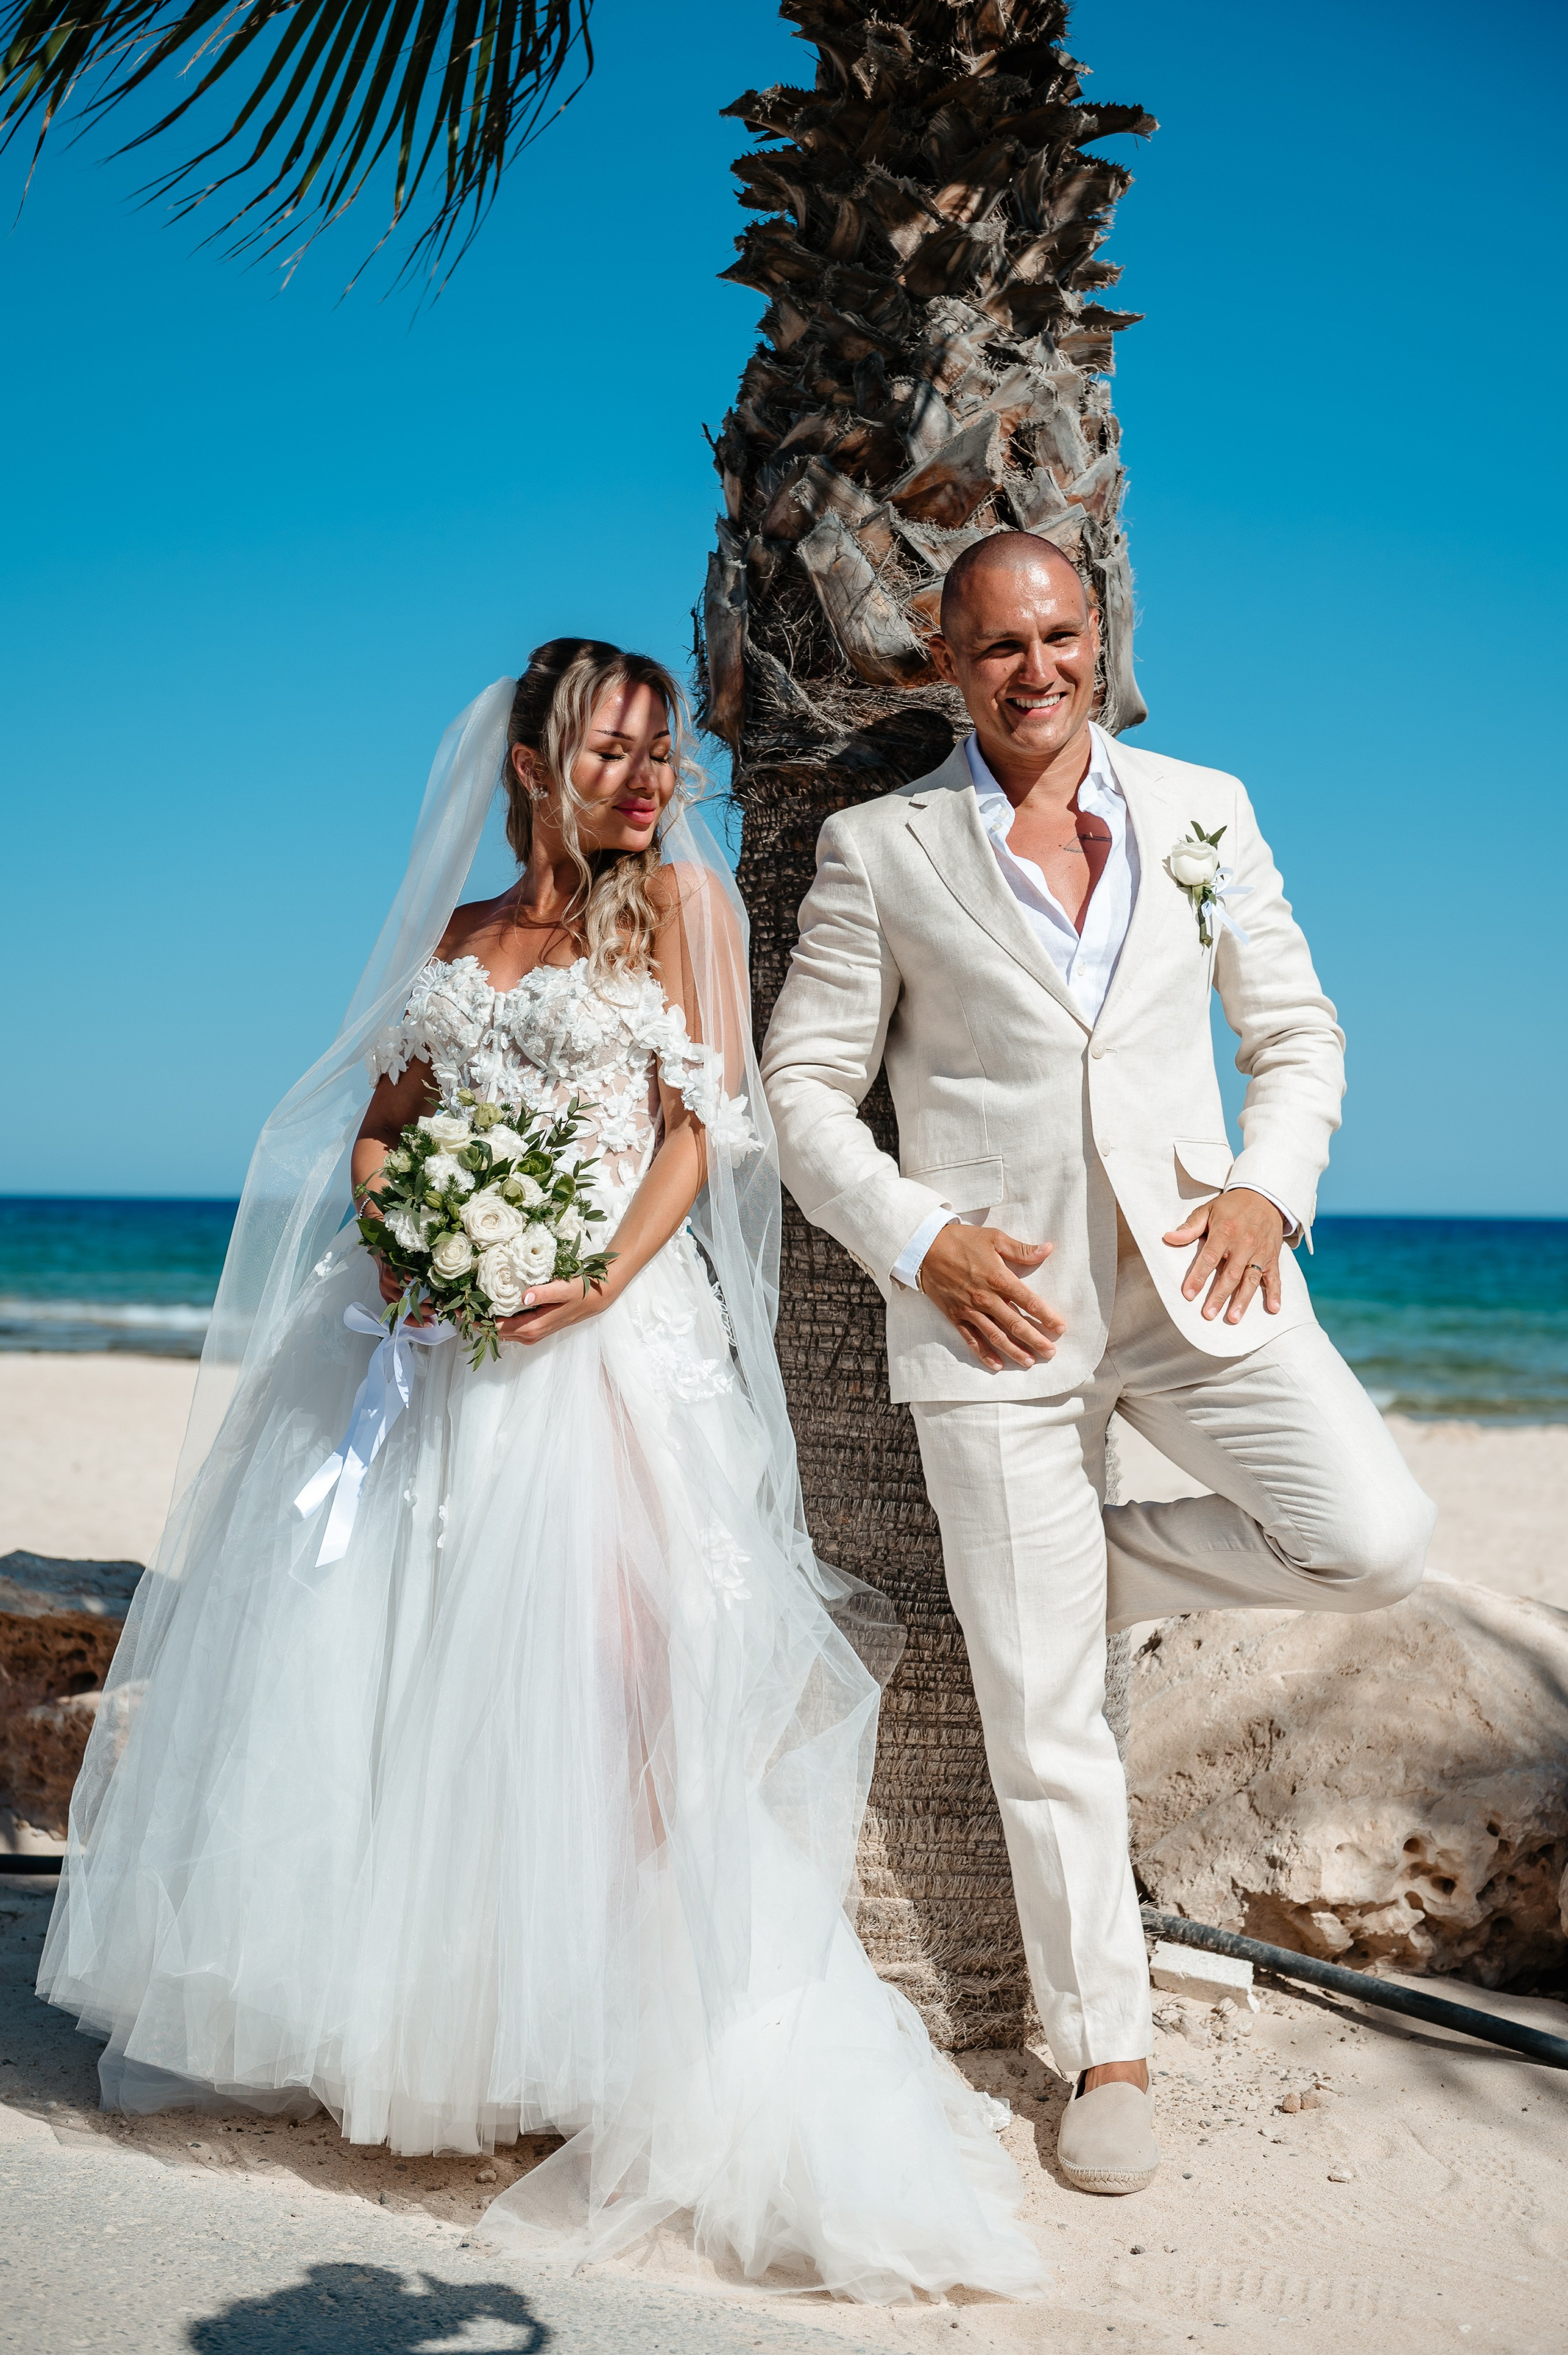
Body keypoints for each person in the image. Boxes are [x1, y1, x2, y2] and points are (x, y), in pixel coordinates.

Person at [37, 641, 1048, 2302]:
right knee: (403, 1692)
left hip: (603, 1362)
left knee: (630, 1688)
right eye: (612, 753)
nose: (648, 784)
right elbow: (381, 1121)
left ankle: (639, 2048)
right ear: (530, 765)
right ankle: (430, 2034)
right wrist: (406, 1227)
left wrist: (592, 1278)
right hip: (419, 1353)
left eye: (665, 756)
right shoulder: (458, 940)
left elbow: (699, 1136)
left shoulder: (686, 919)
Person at [760, 536, 1436, 2196]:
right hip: (1002, 1313)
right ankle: (1103, 2051)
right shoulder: (880, 849)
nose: (1035, 668)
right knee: (1044, 1712)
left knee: (1373, 1536)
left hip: (1206, 1281)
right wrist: (922, 1240)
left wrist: (1274, 1188)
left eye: (1061, 634)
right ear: (947, 656)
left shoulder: (1207, 808)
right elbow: (799, 1090)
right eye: (999, 644)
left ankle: (1087, 1566)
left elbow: (1299, 1031)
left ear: (1100, 635)